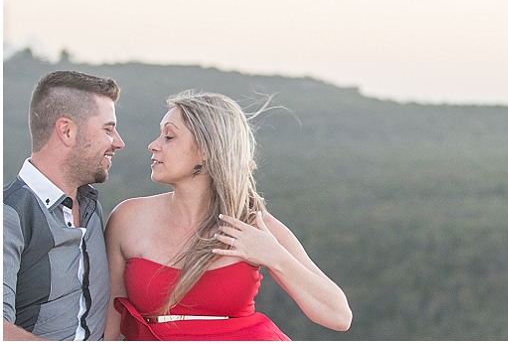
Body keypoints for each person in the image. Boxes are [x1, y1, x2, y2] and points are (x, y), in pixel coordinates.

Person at [103, 90, 352, 340]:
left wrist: (274, 255)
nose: (154, 145)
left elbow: (338, 316)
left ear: (207, 150)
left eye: (169, 136)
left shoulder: (254, 225)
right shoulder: (128, 219)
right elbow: (109, 318)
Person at [4, 70, 125, 341]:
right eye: (108, 129)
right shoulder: (9, 215)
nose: (118, 142)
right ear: (67, 131)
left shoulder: (92, 208)